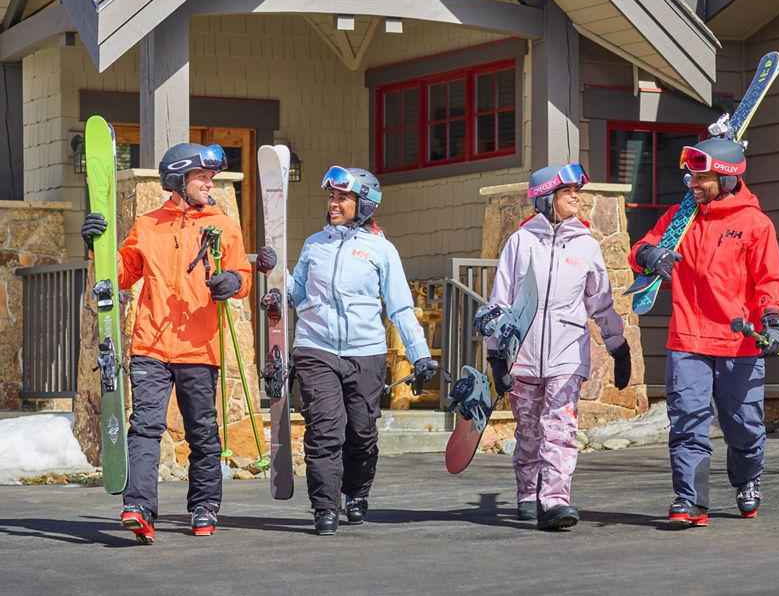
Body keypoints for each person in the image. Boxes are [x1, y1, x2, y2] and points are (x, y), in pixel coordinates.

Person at [80, 142, 252, 543]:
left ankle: (205, 505)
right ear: (178, 180)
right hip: (151, 345)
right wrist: (96, 246)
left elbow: (242, 273)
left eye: (211, 177)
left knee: (202, 432)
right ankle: (138, 507)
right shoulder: (149, 225)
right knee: (144, 427)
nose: (210, 183)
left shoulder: (222, 225)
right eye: (202, 177)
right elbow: (122, 273)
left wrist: (234, 282)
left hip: (199, 346)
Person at [255, 166, 437, 536]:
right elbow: (297, 293)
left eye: (342, 198)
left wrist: (420, 354)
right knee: (323, 432)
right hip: (315, 347)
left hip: (365, 352)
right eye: (332, 197)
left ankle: (355, 493)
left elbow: (400, 307)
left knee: (362, 432)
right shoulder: (314, 244)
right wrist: (276, 276)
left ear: (364, 204)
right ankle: (325, 507)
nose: (333, 203)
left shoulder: (381, 250)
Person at [628, 137, 779, 526]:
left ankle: (748, 479)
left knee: (744, 426)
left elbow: (770, 280)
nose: (692, 182)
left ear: (728, 176)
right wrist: (650, 255)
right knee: (687, 422)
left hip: (740, 340)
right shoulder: (680, 217)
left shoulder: (755, 224)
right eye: (691, 175)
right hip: (688, 339)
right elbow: (640, 248)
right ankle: (690, 500)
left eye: (701, 176)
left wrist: (773, 321)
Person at [476, 163, 631, 531]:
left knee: (559, 430)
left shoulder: (588, 246)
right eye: (567, 192)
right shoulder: (520, 243)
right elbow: (501, 302)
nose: (576, 197)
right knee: (528, 433)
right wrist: (497, 354)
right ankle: (528, 494)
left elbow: (601, 303)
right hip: (523, 356)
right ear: (546, 198)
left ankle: (555, 500)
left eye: (577, 190)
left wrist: (618, 345)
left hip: (567, 354)